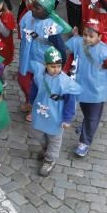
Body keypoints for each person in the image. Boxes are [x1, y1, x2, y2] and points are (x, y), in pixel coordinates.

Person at [64, 23, 107, 157]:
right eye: (85, 35)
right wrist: (64, 74)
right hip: (81, 85)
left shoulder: (105, 52)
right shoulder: (78, 44)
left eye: (91, 36)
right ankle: (86, 127)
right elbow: (71, 58)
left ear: (99, 37)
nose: (87, 39)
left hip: (97, 90)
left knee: (93, 116)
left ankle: (84, 142)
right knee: (87, 111)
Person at [30, 46, 80, 177]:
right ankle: (46, 148)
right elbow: (34, 90)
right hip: (40, 111)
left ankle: (49, 159)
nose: (56, 69)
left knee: (55, 138)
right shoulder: (39, 76)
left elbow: (71, 101)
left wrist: (67, 118)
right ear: (45, 64)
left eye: (58, 66)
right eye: (52, 66)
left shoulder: (65, 82)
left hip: (56, 115)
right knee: (37, 132)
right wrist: (31, 103)